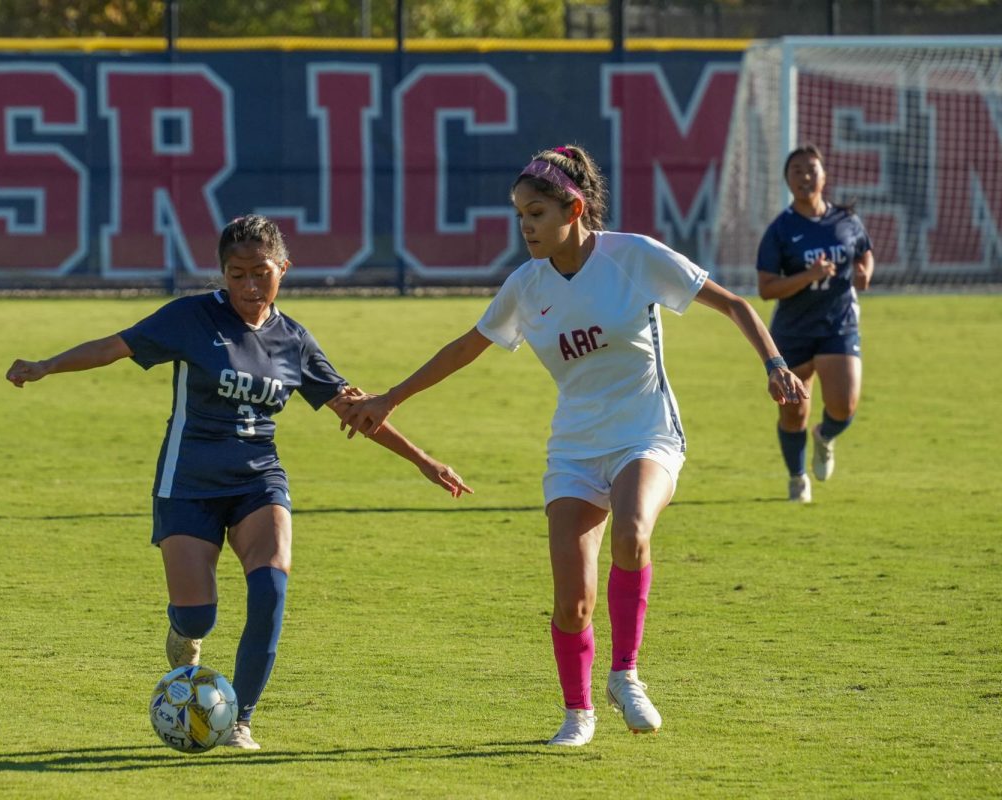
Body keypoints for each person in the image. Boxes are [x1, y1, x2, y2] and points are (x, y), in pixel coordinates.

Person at [337, 145, 806, 745]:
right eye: (518, 215)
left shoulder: (632, 256)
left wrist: (774, 364)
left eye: (535, 212)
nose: (525, 226)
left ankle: (626, 673)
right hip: (576, 450)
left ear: (573, 208)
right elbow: (464, 348)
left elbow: (736, 304)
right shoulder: (526, 286)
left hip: (646, 432)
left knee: (634, 533)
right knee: (572, 604)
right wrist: (390, 398)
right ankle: (577, 713)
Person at [5, 214, 471, 751]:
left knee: (271, 589)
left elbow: (355, 409)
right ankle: (185, 636)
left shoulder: (294, 340)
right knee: (197, 614)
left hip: (258, 481)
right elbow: (117, 345)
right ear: (223, 274)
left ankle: (239, 719)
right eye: (237, 274)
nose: (250, 286)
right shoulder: (191, 317)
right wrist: (46, 365)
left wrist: (422, 460)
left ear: (283, 270)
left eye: (261, 273)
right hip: (189, 481)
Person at [756, 144, 874, 503]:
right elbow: (766, 289)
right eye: (797, 171)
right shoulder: (780, 230)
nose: (806, 176)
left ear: (824, 176)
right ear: (787, 181)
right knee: (794, 413)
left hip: (838, 324)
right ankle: (797, 477)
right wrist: (809, 275)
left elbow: (864, 251)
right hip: (793, 332)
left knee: (844, 406)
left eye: (812, 169)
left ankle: (825, 436)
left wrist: (864, 272)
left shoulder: (846, 221)